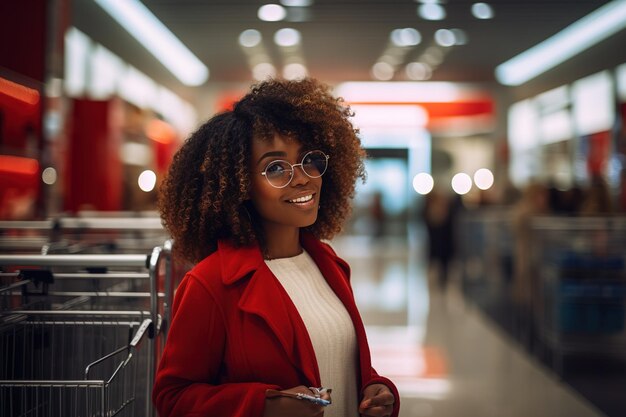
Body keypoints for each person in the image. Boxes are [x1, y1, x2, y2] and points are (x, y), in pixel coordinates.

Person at [153, 78, 399, 417]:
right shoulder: (210, 284)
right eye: (276, 167)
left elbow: (339, 362)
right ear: (239, 183)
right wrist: (263, 406)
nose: (302, 177)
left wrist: (375, 390)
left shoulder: (328, 264)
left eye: (309, 159)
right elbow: (173, 398)